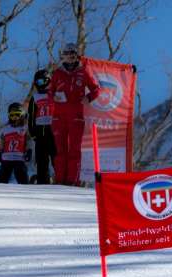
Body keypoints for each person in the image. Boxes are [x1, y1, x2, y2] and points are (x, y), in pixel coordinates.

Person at [48, 42, 100, 186]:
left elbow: (96, 89)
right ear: (63, 56)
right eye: (66, 54)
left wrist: (88, 98)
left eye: (72, 54)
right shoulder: (57, 73)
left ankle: (72, 181)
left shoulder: (83, 72)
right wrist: (54, 97)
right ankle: (60, 181)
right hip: (59, 118)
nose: (69, 57)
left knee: (74, 151)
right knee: (60, 151)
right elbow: (49, 92)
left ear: (76, 56)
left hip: (76, 117)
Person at [28, 69, 55, 184]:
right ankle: (43, 182)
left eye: (42, 81)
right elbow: (31, 116)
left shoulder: (55, 94)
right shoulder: (35, 97)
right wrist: (32, 133)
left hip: (53, 132)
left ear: (48, 81)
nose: (40, 84)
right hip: (40, 132)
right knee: (41, 160)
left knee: (56, 158)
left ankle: (61, 182)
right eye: (38, 82)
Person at [0, 103, 31, 184]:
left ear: (22, 115)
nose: (15, 117)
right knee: (1, 178)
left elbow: (28, 141)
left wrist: (29, 150)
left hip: (19, 158)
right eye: (12, 115)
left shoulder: (25, 128)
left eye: (17, 115)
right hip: (7, 158)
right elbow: (1, 141)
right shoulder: (5, 128)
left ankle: (25, 190)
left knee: (22, 176)